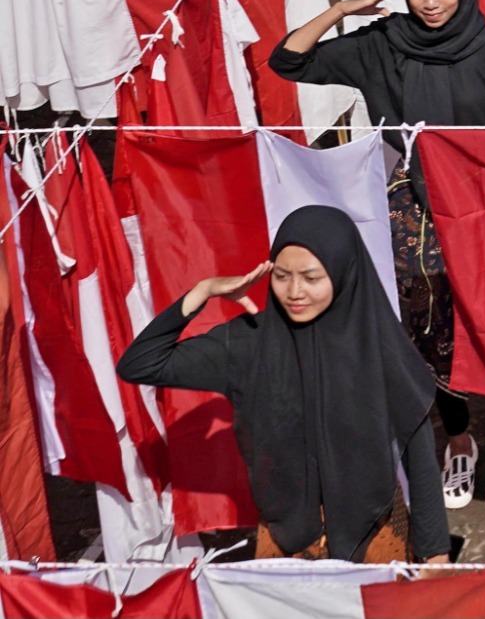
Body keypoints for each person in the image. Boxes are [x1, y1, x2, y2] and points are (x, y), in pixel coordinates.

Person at [268, 0, 485, 515]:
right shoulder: (382, 45)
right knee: (429, 330)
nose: (430, 2)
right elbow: (288, 60)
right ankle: (459, 436)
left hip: (481, 209)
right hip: (410, 214)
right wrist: (342, 10)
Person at [117, 206, 448, 564]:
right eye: (283, 275)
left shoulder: (379, 344)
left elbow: (419, 451)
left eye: (311, 278)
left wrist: (435, 553)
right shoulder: (249, 342)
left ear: (344, 272)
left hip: (374, 529)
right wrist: (204, 290)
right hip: (287, 538)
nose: (294, 292)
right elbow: (140, 364)